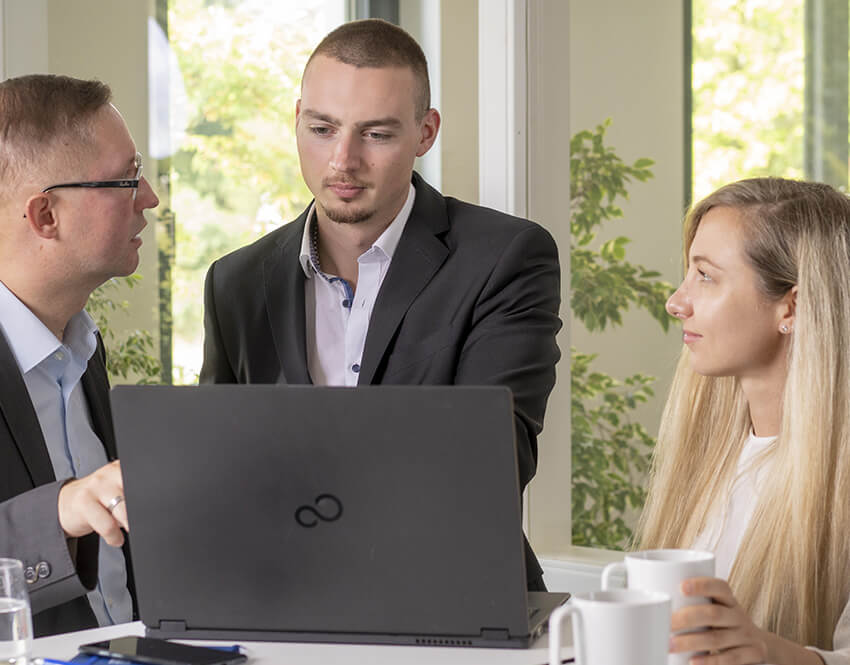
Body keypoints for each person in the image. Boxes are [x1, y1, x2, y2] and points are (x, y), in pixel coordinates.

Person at [200, 18, 561, 590]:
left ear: (425, 133)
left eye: (377, 134)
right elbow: (219, 466)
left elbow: (494, 460)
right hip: (287, 599)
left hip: (456, 599)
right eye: (322, 129)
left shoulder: (506, 257)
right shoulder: (237, 283)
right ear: (297, 120)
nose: (342, 161)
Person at [637, 177, 850, 665]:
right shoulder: (710, 460)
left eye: (706, 276)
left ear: (791, 306)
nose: (676, 301)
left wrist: (771, 654)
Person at [0, 74, 159, 635]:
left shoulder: (84, 348)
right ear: (46, 216)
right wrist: (60, 513)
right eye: (126, 180)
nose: (150, 199)